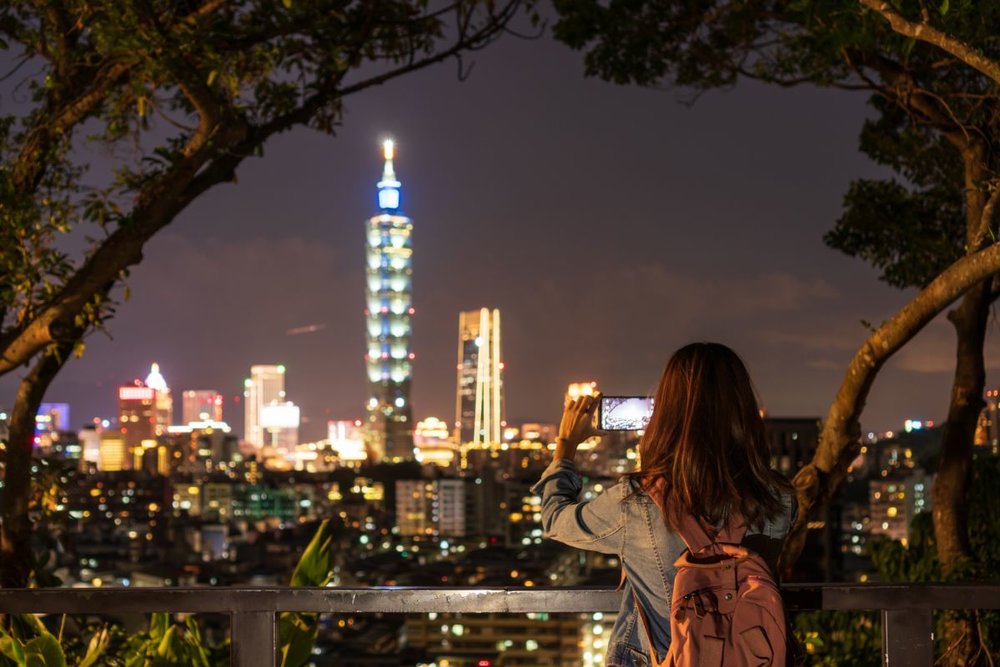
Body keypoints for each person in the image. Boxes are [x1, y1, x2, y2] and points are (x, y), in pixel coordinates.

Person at [531, 342, 796, 666]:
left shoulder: (637, 501)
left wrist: (566, 446)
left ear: (665, 412)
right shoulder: (779, 498)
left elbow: (555, 520)